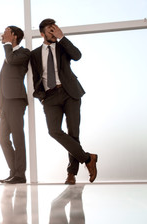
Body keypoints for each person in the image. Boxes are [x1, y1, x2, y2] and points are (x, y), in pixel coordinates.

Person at [29, 18, 98, 184]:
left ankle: (71, 174)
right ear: (42, 33)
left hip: (70, 93)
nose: (53, 33)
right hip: (50, 96)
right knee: (53, 131)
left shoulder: (62, 46)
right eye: (50, 30)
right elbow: (35, 77)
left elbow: (77, 55)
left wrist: (62, 37)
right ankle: (88, 158)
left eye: (55, 29)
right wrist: (42, 98)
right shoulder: (35, 54)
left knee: (73, 133)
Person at [0, 26, 31, 184]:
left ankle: (20, 175)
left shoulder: (24, 53)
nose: (2, 34)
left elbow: (11, 60)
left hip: (17, 100)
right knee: (2, 138)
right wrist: (0, 105)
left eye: (6, 32)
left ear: (14, 36)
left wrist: (7, 45)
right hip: (6, 103)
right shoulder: (8, 53)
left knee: (18, 137)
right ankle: (14, 171)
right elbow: (2, 81)